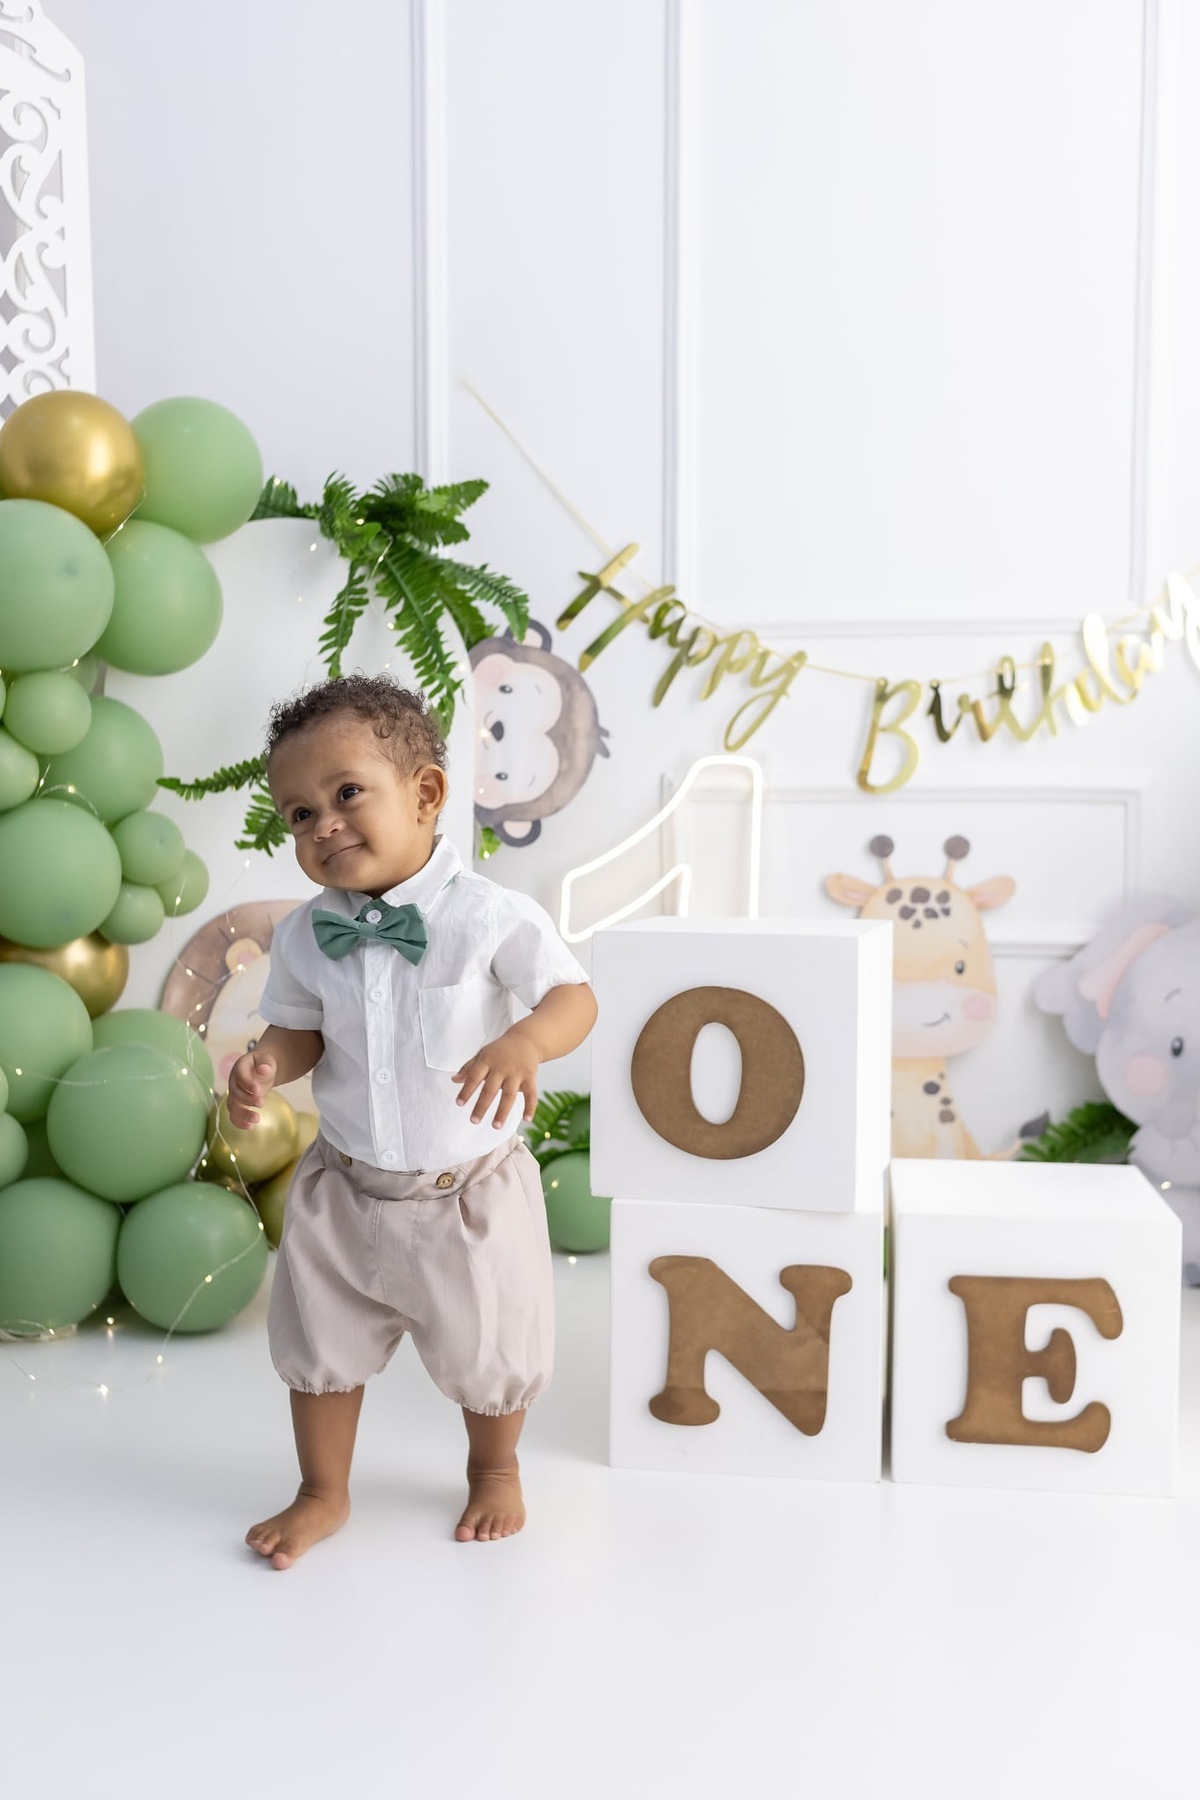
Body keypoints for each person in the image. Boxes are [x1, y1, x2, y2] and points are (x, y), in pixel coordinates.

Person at [234, 674, 597, 1568]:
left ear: (427, 793)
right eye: (296, 814)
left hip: (466, 1194)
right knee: (319, 1344)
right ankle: (322, 1490)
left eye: (346, 793)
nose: (322, 825)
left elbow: (574, 997)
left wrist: (526, 1043)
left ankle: (495, 1467)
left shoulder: (488, 917)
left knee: (493, 1346)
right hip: (344, 1189)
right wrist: (269, 1065)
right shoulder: (304, 935)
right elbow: (301, 1029)